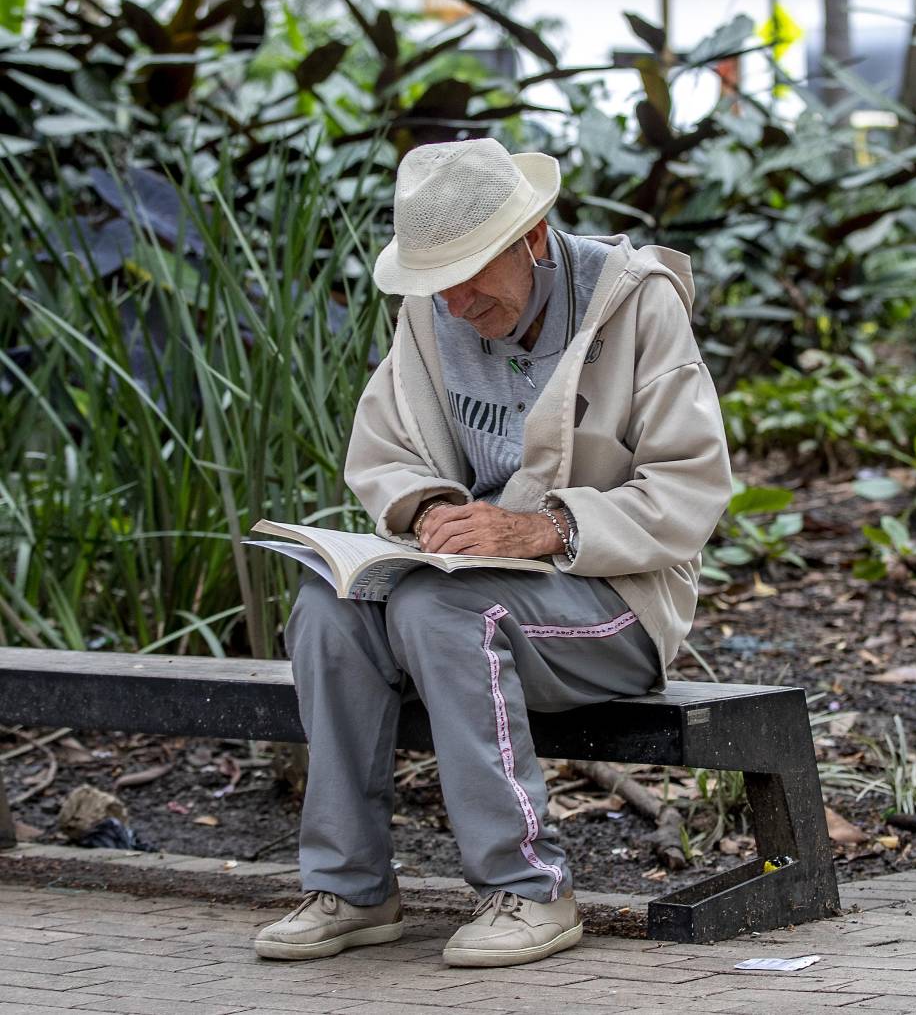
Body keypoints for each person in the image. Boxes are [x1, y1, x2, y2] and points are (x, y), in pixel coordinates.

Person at [254, 137, 732, 968]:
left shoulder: (637, 303)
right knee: (328, 610)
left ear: (534, 236)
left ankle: (529, 888)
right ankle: (352, 887)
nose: (458, 299)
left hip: (614, 604)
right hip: (471, 585)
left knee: (444, 610)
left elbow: (692, 489)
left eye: (474, 271)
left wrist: (543, 528)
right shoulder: (432, 311)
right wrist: (435, 507)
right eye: (438, 279)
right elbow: (386, 449)